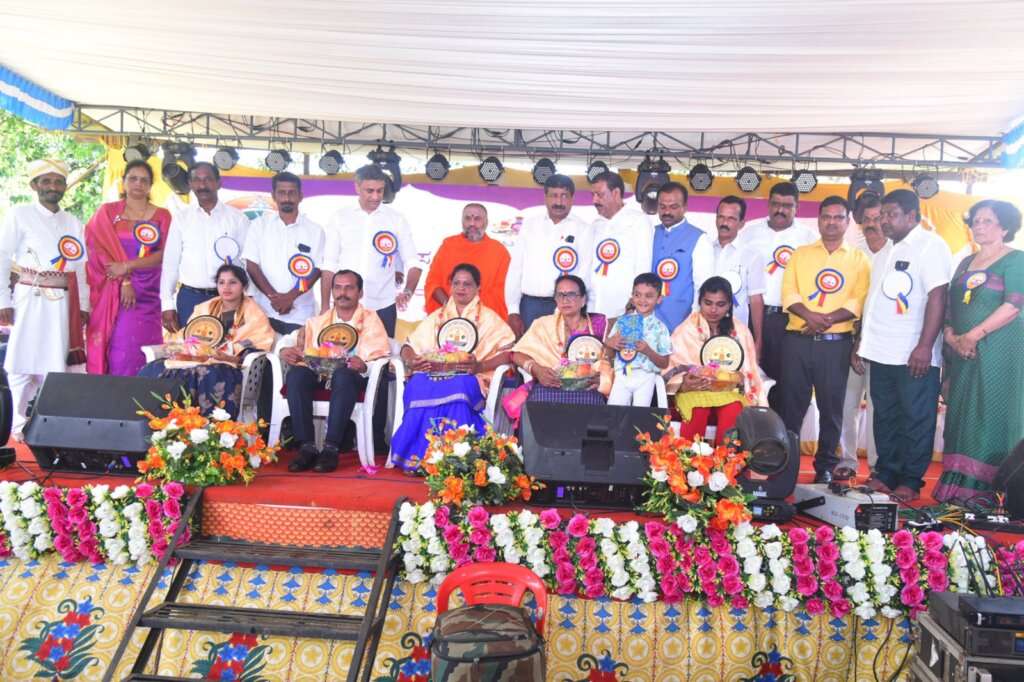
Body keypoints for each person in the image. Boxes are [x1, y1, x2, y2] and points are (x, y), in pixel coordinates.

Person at [855, 189, 951, 501]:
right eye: (882, 214)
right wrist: (861, 343)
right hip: (880, 350)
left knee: (915, 418)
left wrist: (924, 346)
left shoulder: (931, 246)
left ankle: (910, 479)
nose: (884, 220)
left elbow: (938, 296)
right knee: (885, 416)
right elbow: (874, 303)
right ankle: (886, 473)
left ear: (912, 216)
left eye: (891, 214)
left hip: (913, 353)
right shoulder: (885, 250)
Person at [935, 200, 1024, 505]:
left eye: (987, 221)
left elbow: (1013, 305)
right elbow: (950, 307)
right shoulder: (964, 263)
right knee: (963, 414)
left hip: (1000, 350)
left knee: (991, 412)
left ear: (1005, 227)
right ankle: (959, 487)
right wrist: (952, 337)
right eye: (975, 221)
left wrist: (973, 335)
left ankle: (992, 492)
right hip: (963, 353)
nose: (979, 226)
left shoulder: (1016, 260)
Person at [778, 196, 871, 484]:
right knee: (791, 406)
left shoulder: (859, 259)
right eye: (826, 217)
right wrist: (810, 316)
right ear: (818, 220)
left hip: (836, 345)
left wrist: (823, 320)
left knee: (832, 409)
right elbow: (789, 293)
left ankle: (825, 466)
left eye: (838, 217)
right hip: (797, 342)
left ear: (848, 221)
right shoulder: (800, 254)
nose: (831, 222)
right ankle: (787, 464)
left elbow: (858, 300)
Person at [391, 263, 515, 471]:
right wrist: (412, 360)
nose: (461, 288)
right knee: (417, 384)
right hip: (432, 374)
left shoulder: (489, 319)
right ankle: (420, 459)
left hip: (470, 377)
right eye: (456, 283)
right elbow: (408, 346)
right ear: (450, 286)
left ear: (478, 288)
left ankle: (457, 459)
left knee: (459, 387)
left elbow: (508, 353)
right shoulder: (438, 317)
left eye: (467, 284)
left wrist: (480, 366)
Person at [0, 159, 90, 440]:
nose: (53, 186)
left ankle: (50, 422)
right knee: (21, 360)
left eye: (58, 181)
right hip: (29, 296)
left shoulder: (73, 222)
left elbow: (81, 268)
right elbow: (2, 256)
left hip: (64, 302)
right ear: (34, 185)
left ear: (65, 187)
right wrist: (3, 300)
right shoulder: (20, 214)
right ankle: (17, 423)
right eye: (47, 181)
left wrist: (84, 304)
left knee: (56, 361)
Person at [281, 270, 390, 473]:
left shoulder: (371, 320)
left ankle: (331, 448)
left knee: (343, 375)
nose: (343, 293)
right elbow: (292, 339)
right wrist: (283, 350)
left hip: (352, 378)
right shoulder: (320, 321)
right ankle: (307, 447)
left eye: (349, 288)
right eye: (338, 287)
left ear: (360, 293)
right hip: (320, 374)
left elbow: (380, 355)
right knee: (296, 375)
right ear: (331, 291)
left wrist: (364, 365)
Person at [140, 264, 274, 417]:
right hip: (194, 358)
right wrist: (184, 350)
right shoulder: (205, 308)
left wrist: (226, 356)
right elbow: (187, 336)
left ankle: (211, 428)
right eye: (221, 282)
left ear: (243, 286)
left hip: (227, 364)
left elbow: (256, 345)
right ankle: (159, 422)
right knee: (154, 368)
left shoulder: (254, 314)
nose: (226, 287)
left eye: (232, 282)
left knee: (208, 373)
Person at [735, 181, 817, 409]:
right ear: (768, 204)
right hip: (753, 316)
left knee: (787, 380)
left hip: (789, 319)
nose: (780, 210)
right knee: (750, 375)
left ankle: (782, 428)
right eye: (775, 204)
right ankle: (753, 425)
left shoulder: (808, 237)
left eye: (787, 206)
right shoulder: (749, 232)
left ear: (797, 207)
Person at [85, 160, 170, 376]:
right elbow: (96, 248)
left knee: (148, 350)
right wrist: (124, 280)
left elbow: (166, 254)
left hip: (150, 293)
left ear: (150, 186)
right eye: (133, 178)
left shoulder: (163, 215)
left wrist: (128, 266)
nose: (138, 184)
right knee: (121, 348)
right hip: (117, 292)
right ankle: (118, 394)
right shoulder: (107, 212)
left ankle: (146, 394)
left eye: (144, 180)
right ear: (123, 182)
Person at [322, 164, 420, 337]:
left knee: (382, 353)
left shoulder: (396, 219)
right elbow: (329, 265)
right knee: (341, 352)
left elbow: (413, 263)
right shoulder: (339, 218)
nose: (375, 196)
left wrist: (407, 292)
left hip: (384, 307)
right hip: (345, 307)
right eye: (370, 191)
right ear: (357, 187)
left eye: (380, 191)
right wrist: (324, 306)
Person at [666, 277, 765, 445]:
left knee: (733, 408)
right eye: (708, 303)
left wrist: (736, 379)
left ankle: (725, 459)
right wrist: (684, 383)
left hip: (728, 393)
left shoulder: (740, 331)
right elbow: (670, 369)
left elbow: (749, 371)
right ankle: (688, 459)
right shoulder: (685, 330)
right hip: (693, 392)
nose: (713, 310)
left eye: (720, 304)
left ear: (729, 306)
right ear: (700, 302)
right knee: (697, 408)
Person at [837, 193, 891, 479]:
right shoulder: (854, 254)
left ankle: (877, 465)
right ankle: (847, 460)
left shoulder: (896, 253)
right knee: (847, 404)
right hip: (850, 341)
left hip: (883, 343)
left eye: (877, 218)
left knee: (878, 408)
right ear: (858, 222)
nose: (872, 224)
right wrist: (855, 341)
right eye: (866, 219)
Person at [160, 162, 249, 332]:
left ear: (218, 183)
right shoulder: (181, 218)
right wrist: (167, 304)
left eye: (208, 179)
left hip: (228, 299)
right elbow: (171, 264)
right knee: (191, 347)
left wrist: (249, 297)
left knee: (229, 346)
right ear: (190, 184)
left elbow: (247, 263)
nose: (202, 185)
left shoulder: (238, 219)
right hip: (190, 299)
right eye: (197, 180)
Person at [506, 174, 593, 335]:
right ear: (545, 197)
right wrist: (513, 310)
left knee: (562, 350)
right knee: (528, 350)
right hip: (529, 306)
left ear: (572, 198)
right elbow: (516, 268)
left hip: (566, 306)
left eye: (564, 196)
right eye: (554, 195)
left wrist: (568, 306)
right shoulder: (530, 225)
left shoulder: (584, 229)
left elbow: (584, 273)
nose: (559, 202)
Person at [242, 172, 324, 335]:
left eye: (292, 193)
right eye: (282, 193)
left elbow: (316, 270)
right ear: (273, 196)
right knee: (261, 351)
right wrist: (274, 298)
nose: (287, 198)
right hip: (264, 310)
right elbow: (252, 265)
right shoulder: (259, 226)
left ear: (300, 196)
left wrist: (289, 298)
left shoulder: (315, 230)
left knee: (296, 351)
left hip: (300, 313)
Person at [512, 274, 612, 404]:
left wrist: (602, 379)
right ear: (555, 299)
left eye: (571, 294)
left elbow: (612, 361)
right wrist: (536, 369)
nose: (565, 300)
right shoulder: (543, 324)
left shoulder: (599, 324)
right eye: (560, 295)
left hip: (587, 390)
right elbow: (517, 354)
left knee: (592, 400)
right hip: (550, 386)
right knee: (539, 399)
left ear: (583, 300)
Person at [423, 203, 511, 319]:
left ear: (486, 222)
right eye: (467, 218)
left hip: (484, 319)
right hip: (447, 317)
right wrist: (453, 308)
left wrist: (470, 311)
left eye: (477, 219)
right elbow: (433, 283)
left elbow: (502, 292)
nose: (472, 224)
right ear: (462, 221)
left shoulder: (499, 251)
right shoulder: (448, 245)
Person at [588, 171, 655, 321]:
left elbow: (643, 266)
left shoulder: (638, 221)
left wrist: (635, 303)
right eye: (593, 195)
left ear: (616, 193)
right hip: (592, 308)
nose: (594, 200)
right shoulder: (595, 225)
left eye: (600, 195)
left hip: (624, 309)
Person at [651, 181, 713, 330]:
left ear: (685, 207)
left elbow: (702, 286)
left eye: (673, 207)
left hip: (682, 322)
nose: (667, 212)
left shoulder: (699, 238)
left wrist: (694, 321)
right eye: (662, 206)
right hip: (647, 320)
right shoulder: (650, 233)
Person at [604, 273, 671, 407]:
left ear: (659, 299)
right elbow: (609, 355)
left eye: (649, 296)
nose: (642, 300)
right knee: (614, 412)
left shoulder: (661, 328)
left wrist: (648, 351)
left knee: (640, 414)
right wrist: (610, 344)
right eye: (637, 295)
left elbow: (664, 363)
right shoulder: (622, 322)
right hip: (622, 375)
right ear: (632, 297)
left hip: (646, 377)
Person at [708, 195, 766, 335]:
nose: (724, 223)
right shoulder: (704, 249)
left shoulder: (752, 255)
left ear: (741, 223)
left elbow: (755, 300)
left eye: (731, 219)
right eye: (721, 217)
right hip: (701, 329)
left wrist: (758, 339)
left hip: (735, 331)